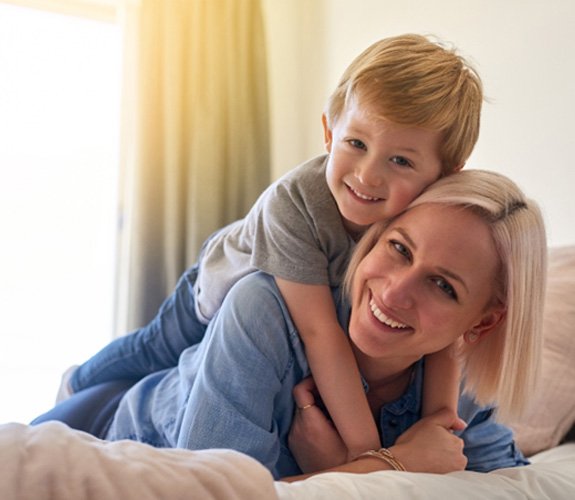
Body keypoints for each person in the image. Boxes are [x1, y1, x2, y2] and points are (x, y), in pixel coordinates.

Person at [53, 33, 483, 460]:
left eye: (401, 161)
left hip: (279, 305)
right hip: (214, 290)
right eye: (357, 144)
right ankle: (79, 380)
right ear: (329, 133)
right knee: (151, 349)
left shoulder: (420, 220)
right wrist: (369, 456)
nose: (368, 176)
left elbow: (446, 341)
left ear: (445, 173)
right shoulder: (295, 202)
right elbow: (319, 333)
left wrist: (440, 420)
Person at [34, 169, 547, 481]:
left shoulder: (457, 390)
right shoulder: (265, 308)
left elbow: (509, 482)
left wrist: (340, 472)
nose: (393, 291)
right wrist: (391, 464)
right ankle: (79, 373)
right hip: (103, 425)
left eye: (443, 286)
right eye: (399, 248)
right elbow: (210, 491)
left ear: (482, 323)